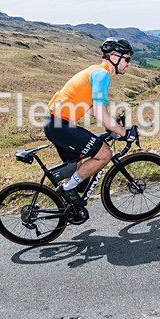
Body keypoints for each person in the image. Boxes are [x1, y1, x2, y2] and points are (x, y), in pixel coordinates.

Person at [44, 38, 137, 223]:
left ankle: (69, 209)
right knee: (105, 153)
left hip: (56, 124)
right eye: (126, 59)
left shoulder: (94, 71)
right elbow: (101, 114)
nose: (128, 63)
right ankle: (66, 190)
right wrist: (125, 133)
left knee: (76, 171)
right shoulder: (102, 75)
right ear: (114, 57)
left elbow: (94, 110)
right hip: (60, 126)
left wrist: (113, 125)